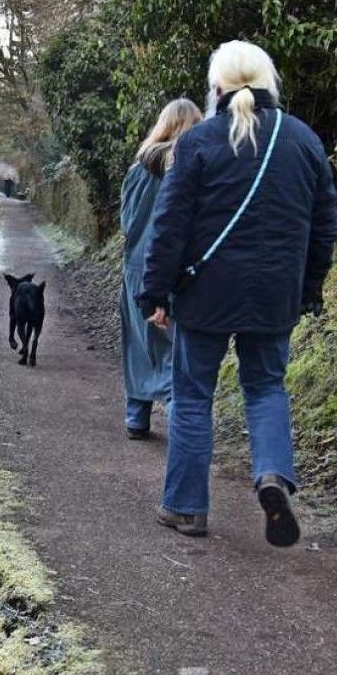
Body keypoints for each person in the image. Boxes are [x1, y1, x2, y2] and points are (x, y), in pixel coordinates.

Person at [137, 40, 337, 547]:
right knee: (267, 388)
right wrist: (308, 288)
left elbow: (170, 225)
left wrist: (154, 291)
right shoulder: (303, 140)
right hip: (275, 293)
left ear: (217, 87)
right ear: (270, 82)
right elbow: (324, 225)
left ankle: (186, 507)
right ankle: (271, 475)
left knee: (192, 396)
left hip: (205, 293)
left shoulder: (199, 141)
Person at [120, 98, 202, 440]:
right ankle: (182, 420)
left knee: (137, 343)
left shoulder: (138, 168)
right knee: (174, 347)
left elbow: (125, 220)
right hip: (173, 265)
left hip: (136, 265)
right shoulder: (188, 168)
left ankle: (136, 418)